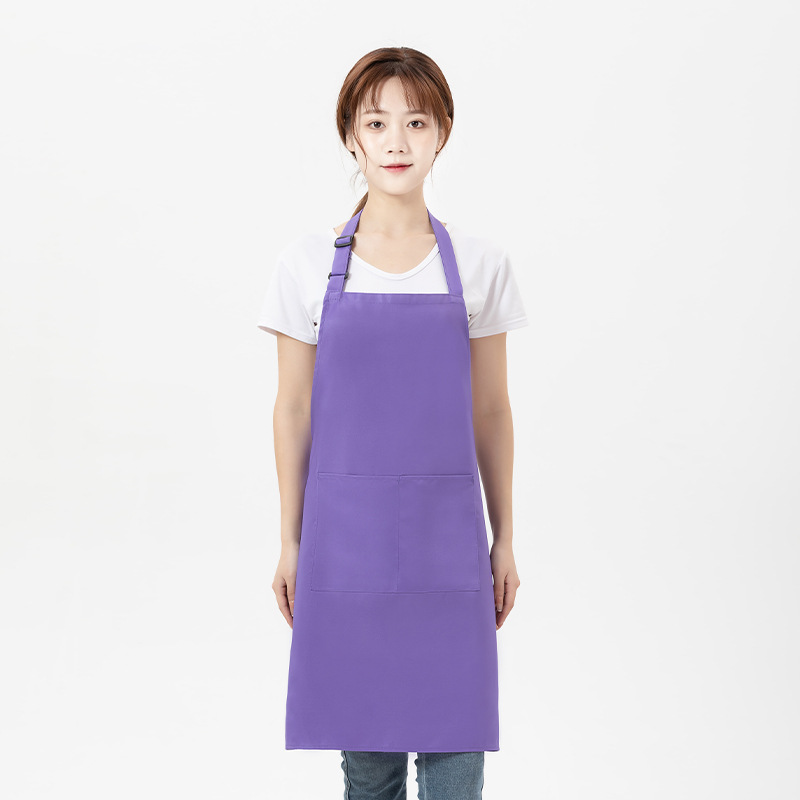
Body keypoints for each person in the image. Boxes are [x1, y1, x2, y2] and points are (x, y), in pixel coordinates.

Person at [257, 46, 527, 800]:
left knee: (455, 763)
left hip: (449, 548)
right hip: (346, 551)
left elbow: (491, 409)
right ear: (351, 135)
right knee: (369, 769)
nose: (397, 141)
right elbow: (293, 409)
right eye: (377, 123)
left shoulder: (480, 264)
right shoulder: (306, 264)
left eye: (417, 121)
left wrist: (505, 537)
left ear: (443, 133)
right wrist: (291, 541)